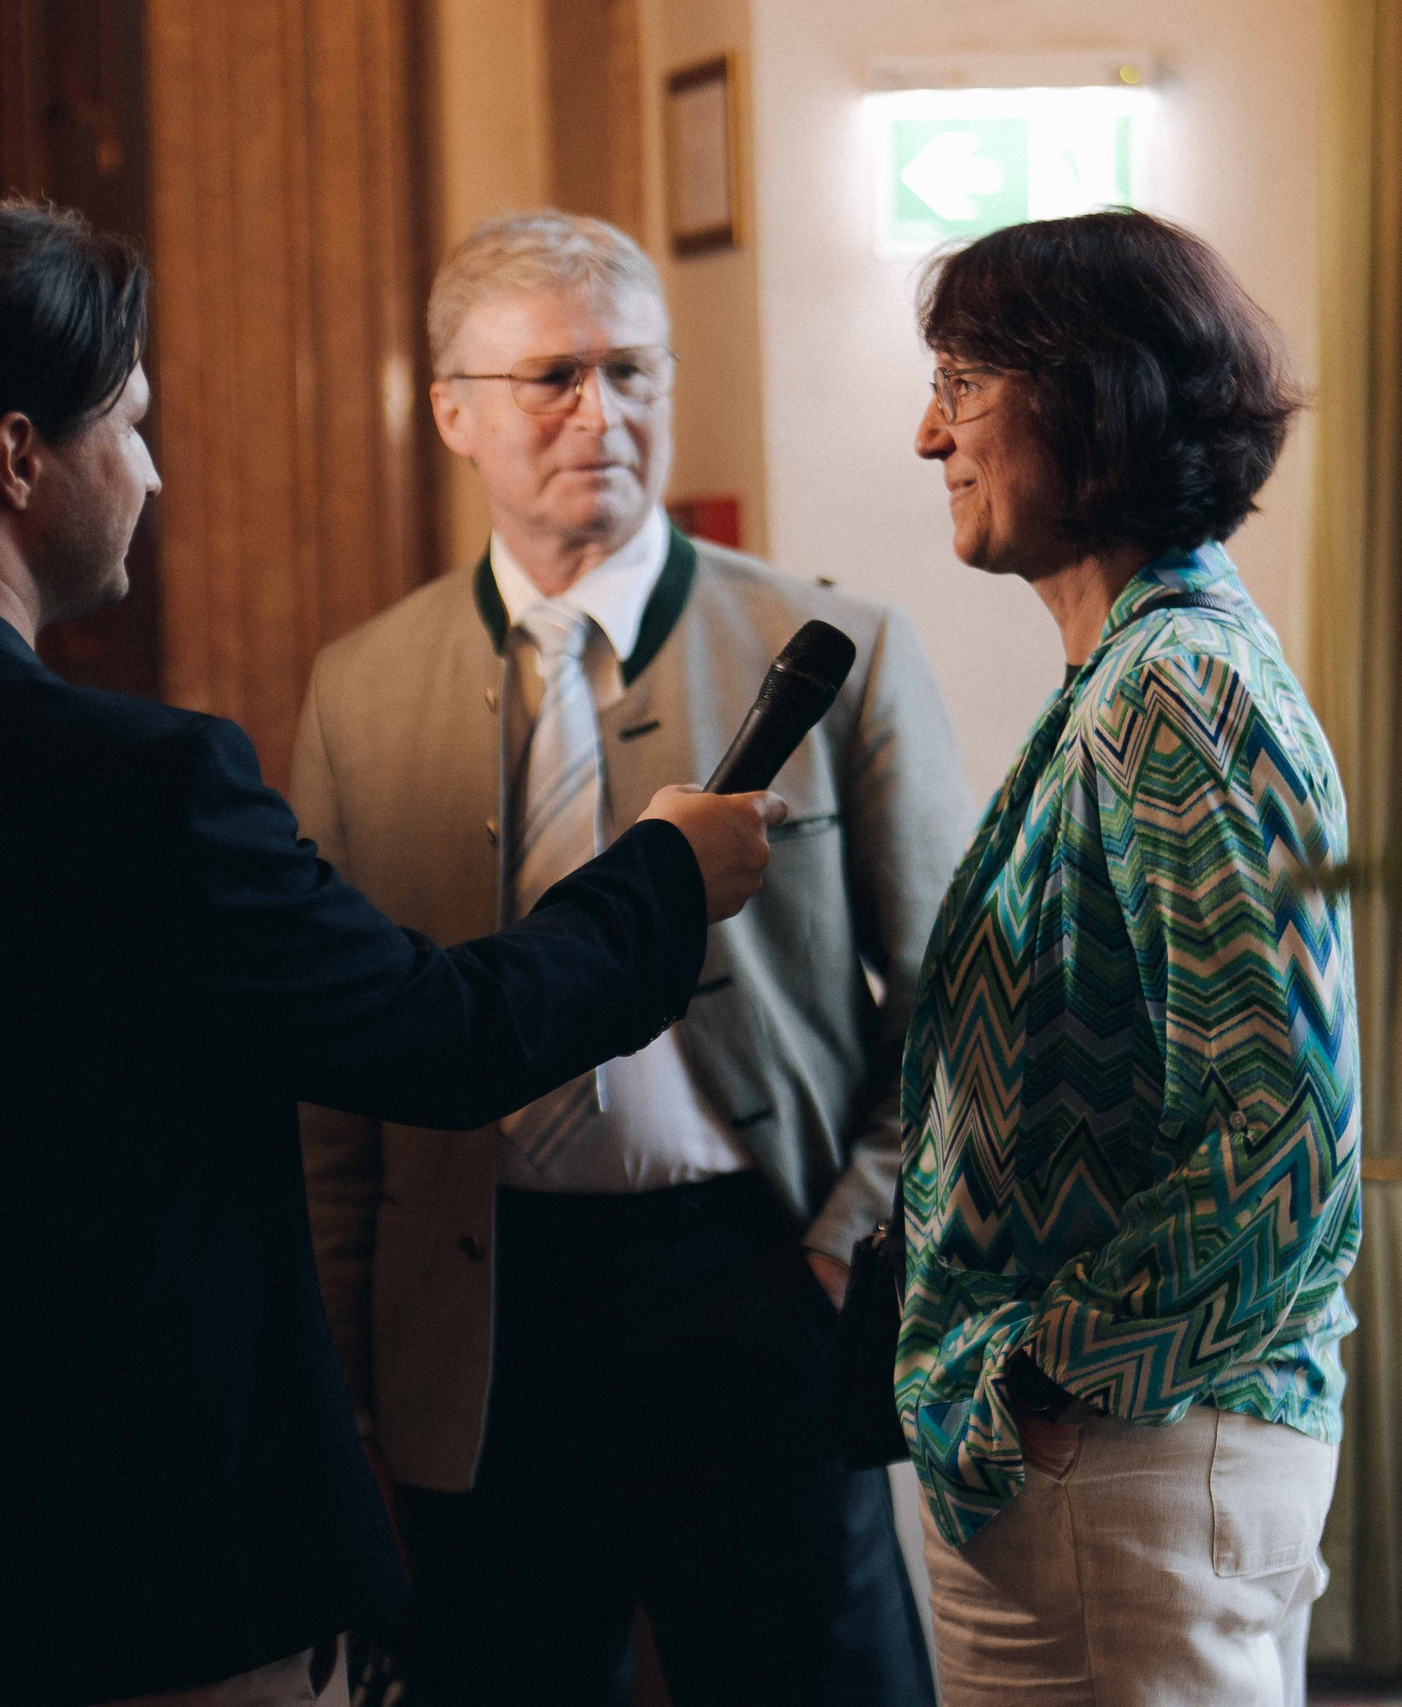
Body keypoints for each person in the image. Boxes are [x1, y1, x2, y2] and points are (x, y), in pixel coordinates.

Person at [0, 199, 786, 1707]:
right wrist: (666, 872)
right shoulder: (144, 788)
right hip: (173, 1603)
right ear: (18, 459)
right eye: (128, 425)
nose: (150, 470)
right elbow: (441, 1035)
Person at [289, 209, 960, 1707]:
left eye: (632, 371)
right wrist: (341, 1369)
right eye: (553, 378)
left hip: (756, 1274)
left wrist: (842, 1255)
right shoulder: (359, 686)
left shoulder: (834, 644)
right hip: (483, 1303)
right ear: (454, 409)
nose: (603, 413)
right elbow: (330, 1090)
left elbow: (955, 1020)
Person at [893, 209, 1359, 1707]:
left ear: (1096, 397)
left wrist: (1035, 1382)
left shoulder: (1181, 688)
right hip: (1115, 1463)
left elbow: (1285, 1142)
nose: (927, 432)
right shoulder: (1132, 668)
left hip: (1137, 1462)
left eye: (963, 381)